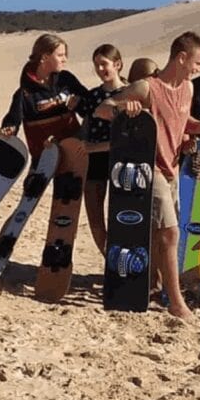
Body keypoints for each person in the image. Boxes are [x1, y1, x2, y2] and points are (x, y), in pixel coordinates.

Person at [96, 31, 200, 319]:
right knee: (170, 232)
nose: (198, 69)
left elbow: (181, 119)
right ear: (181, 57)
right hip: (147, 168)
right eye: (197, 63)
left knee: (157, 232)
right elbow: (103, 110)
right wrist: (126, 112)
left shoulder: (188, 89)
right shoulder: (146, 87)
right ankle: (176, 303)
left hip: (173, 168)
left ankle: (151, 286)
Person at [0, 34, 88, 164]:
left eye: (65, 55)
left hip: (72, 153)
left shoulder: (66, 80)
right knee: (33, 184)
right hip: (43, 157)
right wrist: (8, 129)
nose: (65, 59)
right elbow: (12, 121)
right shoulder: (24, 94)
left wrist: (78, 103)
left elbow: (89, 106)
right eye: (60, 55)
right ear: (45, 57)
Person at [78, 44, 129, 256]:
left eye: (104, 64)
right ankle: (108, 259)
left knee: (122, 216)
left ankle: (123, 261)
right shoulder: (92, 96)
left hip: (121, 159)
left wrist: (95, 146)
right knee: (95, 215)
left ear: (117, 64)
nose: (100, 69)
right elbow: (86, 127)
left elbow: (131, 135)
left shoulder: (130, 93)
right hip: (94, 162)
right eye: (96, 65)